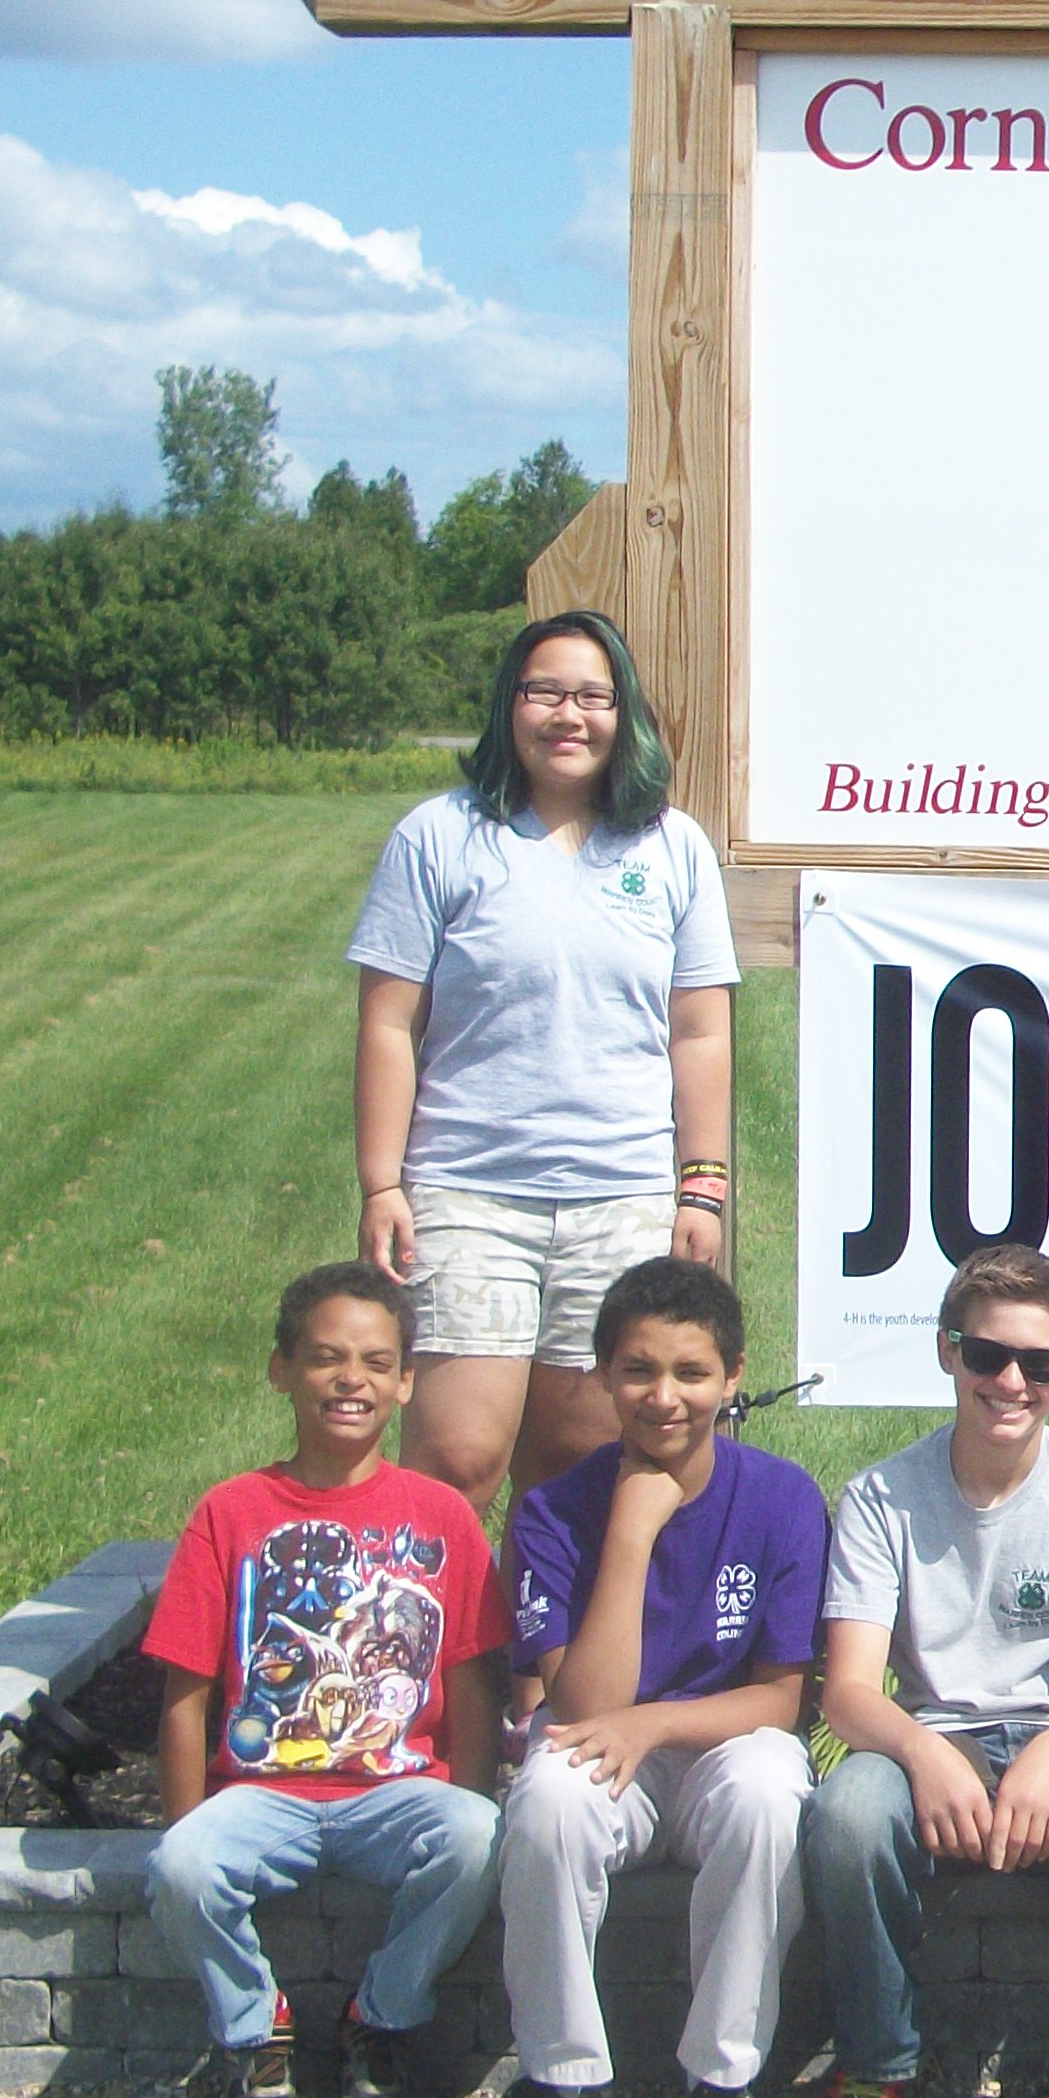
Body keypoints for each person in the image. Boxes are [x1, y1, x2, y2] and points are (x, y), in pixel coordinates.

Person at [348, 610, 737, 1515]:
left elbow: (700, 1033)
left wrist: (703, 1186)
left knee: (580, 1477)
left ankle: (543, 1621)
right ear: (510, 706)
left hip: (622, 1199)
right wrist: (381, 1184)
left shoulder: (671, 846)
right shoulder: (437, 838)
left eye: (594, 696)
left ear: (624, 714)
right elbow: (388, 1023)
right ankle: (433, 1615)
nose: (569, 716)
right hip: (467, 1194)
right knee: (457, 1462)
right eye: (545, 692)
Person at [802, 1244, 1049, 2098]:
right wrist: (923, 1752)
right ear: (947, 1350)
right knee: (848, 1818)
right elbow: (848, 1690)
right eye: (987, 1355)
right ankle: (876, 2059)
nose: (1011, 1381)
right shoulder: (881, 1497)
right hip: (932, 1729)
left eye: (1039, 1364)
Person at [450, 1259, 822, 2098]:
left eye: (692, 1373)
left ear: (733, 1377)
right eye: (638, 1371)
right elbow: (583, 1708)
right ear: (602, 1374)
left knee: (769, 1791)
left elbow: (781, 1700)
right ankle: (553, 2074)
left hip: (718, 1745)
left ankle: (726, 2077)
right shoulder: (551, 1512)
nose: (664, 1397)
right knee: (549, 1797)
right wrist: (629, 1531)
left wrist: (655, 1725)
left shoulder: (782, 1498)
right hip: (602, 1739)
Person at [144, 1263, 507, 2098]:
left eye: (377, 1363)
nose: (352, 1380)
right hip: (260, 1795)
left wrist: (470, 1792)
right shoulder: (230, 1513)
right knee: (180, 1868)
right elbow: (185, 1693)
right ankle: (254, 2031)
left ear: (407, 1382)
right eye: (326, 1358)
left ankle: (380, 2021)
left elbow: (471, 1683)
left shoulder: (442, 1516)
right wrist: (187, 1827)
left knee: (481, 1836)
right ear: (281, 1371)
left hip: (398, 1791)